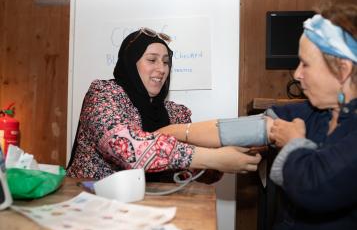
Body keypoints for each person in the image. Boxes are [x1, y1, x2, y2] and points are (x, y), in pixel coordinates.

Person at [158, 3, 357, 230]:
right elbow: (239, 130)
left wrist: (293, 142)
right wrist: (168, 133)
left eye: (306, 64)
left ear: (343, 70)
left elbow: (316, 188)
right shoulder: (315, 112)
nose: (297, 74)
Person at [66, 27, 262, 182]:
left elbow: (188, 172)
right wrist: (214, 158)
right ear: (130, 63)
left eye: (166, 62)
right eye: (151, 59)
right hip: (89, 203)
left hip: (148, 208)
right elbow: (126, 148)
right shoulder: (103, 95)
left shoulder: (175, 113)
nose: (161, 69)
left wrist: (229, 154)